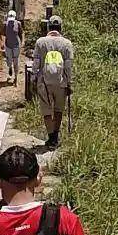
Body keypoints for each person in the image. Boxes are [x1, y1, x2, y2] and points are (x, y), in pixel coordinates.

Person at [32, 19, 74, 149]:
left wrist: (34, 78)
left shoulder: (40, 42)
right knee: (58, 110)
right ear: (60, 28)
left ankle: (51, 138)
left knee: (46, 110)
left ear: (49, 27)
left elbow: (36, 63)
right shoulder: (67, 43)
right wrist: (69, 82)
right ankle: (55, 136)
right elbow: (68, 66)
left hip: (43, 81)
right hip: (61, 82)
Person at [3, 5, 22, 85]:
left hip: (16, 45)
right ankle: (10, 67)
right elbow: (3, 33)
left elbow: (21, 33)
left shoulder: (18, 23)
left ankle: (16, 77)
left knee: (16, 61)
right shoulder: (5, 24)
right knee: (9, 60)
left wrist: (22, 42)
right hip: (8, 44)